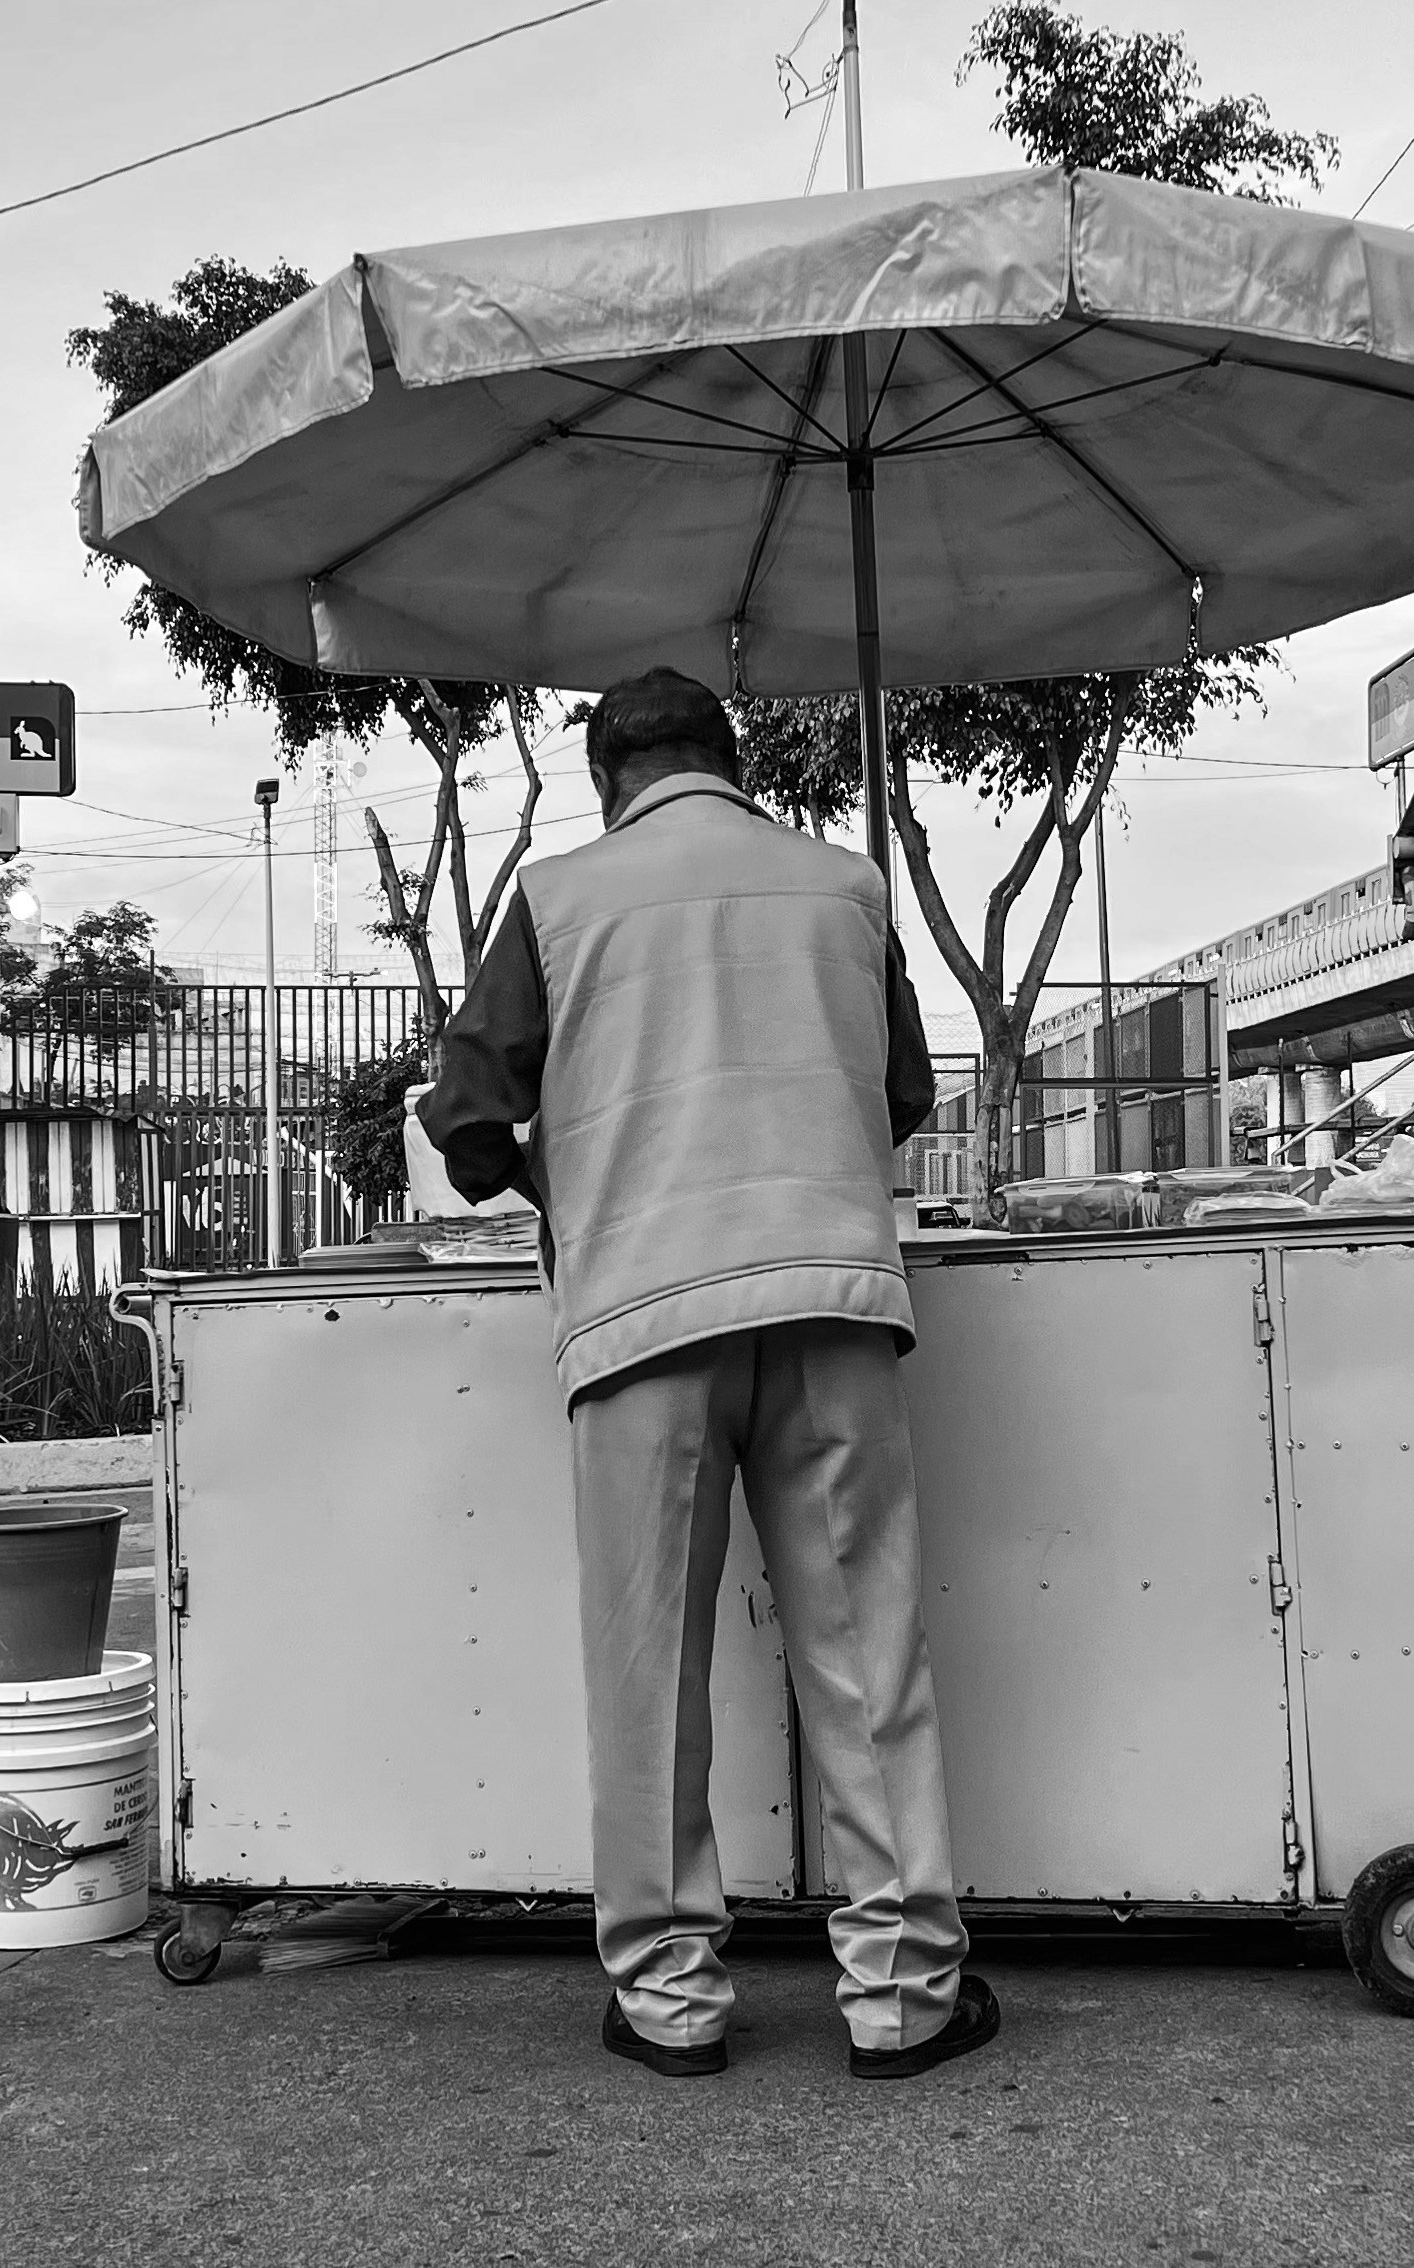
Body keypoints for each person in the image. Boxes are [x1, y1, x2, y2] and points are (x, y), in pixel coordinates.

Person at [417, 667, 989, 2082]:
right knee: (866, 1660)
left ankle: (672, 2000)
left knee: (648, 1670)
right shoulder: (847, 886)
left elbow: (470, 1122)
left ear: (608, 772)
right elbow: (906, 1094)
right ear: (733, 763)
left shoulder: (557, 898)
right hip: (834, 1305)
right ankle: (903, 1995)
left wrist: (561, 1165)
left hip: (643, 1325)